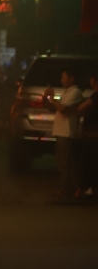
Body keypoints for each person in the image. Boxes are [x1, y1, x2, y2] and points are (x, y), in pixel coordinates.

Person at [44, 67, 84, 200]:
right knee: (62, 163)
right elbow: (54, 108)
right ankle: (66, 189)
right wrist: (47, 98)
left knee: (66, 163)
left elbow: (62, 108)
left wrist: (52, 98)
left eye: (64, 77)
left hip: (67, 133)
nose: (62, 80)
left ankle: (68, 191)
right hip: (61, 131)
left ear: (72, 79)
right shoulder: (68, 92)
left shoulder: (75, 92)